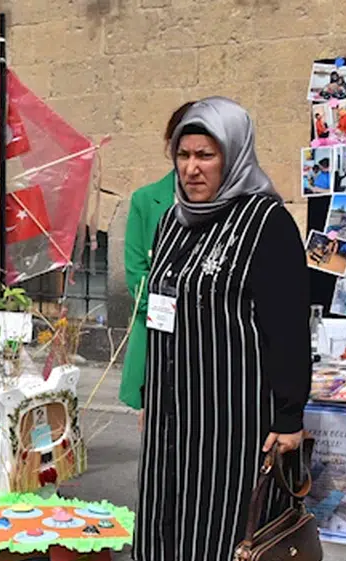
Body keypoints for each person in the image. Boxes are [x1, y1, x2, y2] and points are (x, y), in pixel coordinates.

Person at [134, 97, 311, 561]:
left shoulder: (265, 223)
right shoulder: (174, 220)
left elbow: (287, 326)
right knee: (184, 515)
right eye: (183, 155)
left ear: (232, 156)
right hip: (177, 406)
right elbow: (160, 313)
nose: (192, 168)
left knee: (233, 521)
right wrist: (151, 390)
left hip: (236, 409)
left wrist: (289, 415)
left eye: (206, 155)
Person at [119, 102, 195, 417]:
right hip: (157, 340)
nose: (192, 165)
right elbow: (137, 276)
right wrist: (179, 316)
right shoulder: (145, 200)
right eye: (183, 151)